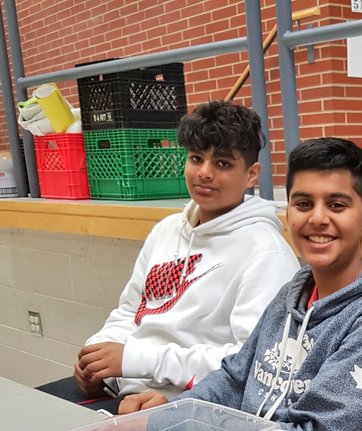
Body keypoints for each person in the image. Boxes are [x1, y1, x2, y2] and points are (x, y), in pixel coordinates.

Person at [119, 137, 362, 431]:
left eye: (336, 205)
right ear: (289, 213)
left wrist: (192, 425)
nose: (317, 218)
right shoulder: (294, 292)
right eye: (303, 204)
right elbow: (234, 379)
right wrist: (169, 414)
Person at [40, 100, 299, 410]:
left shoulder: (266, 253)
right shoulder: (167, 230)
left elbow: (253, 363)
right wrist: (96, 354)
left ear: (252, 174)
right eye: (196, 158)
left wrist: (148, 371)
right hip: (121, 384)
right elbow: (131, 310)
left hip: (187, 402)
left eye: (223, 164)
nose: (205, 173)